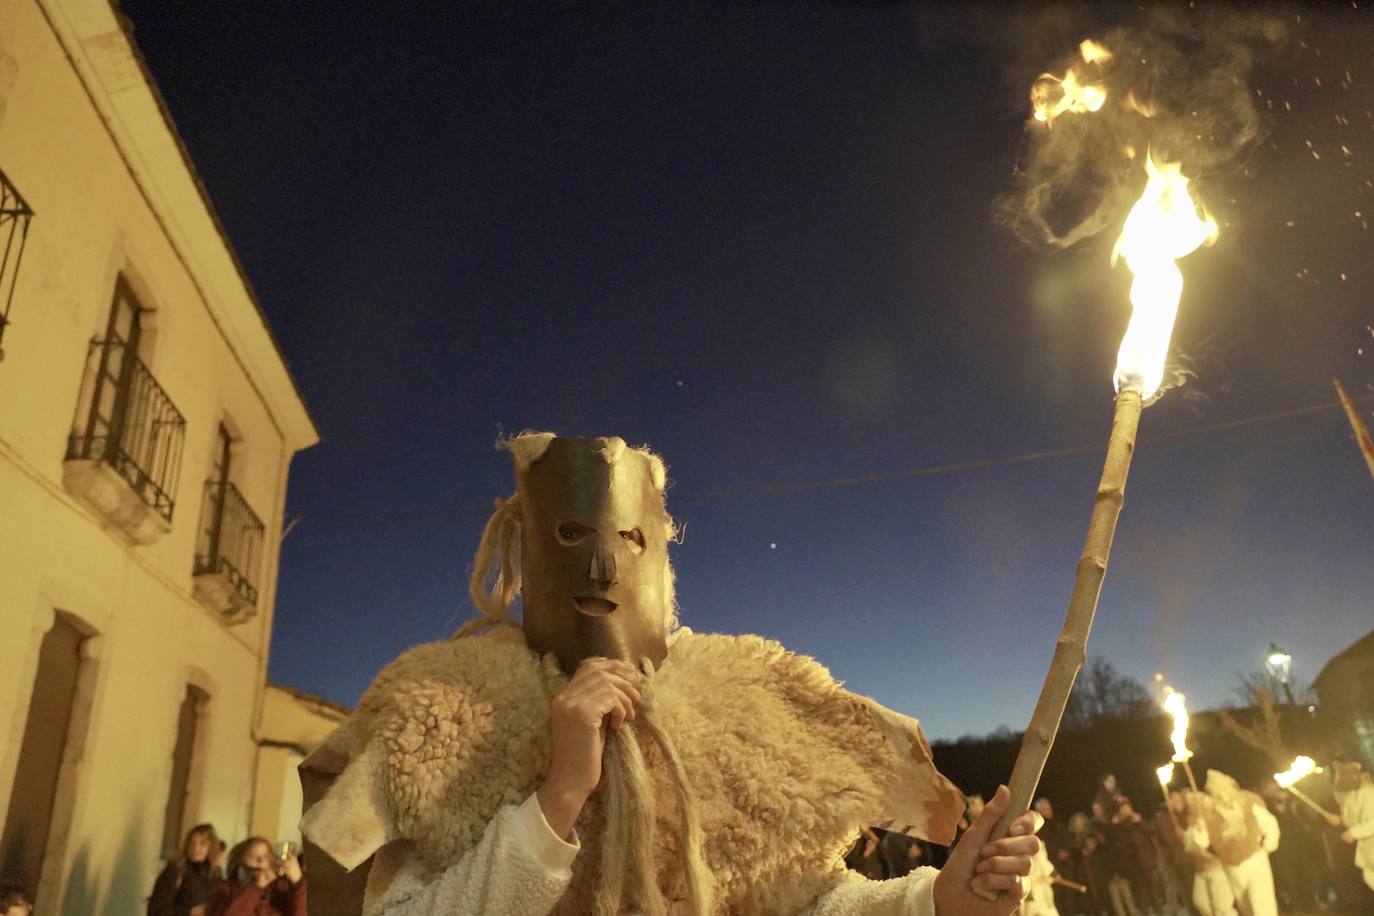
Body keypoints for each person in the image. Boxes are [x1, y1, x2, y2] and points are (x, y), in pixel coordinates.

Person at [300, 433, 1044, 915]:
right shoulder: (440, 708)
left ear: (659, 548)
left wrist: (936, 902)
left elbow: (805, 901)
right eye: (569, 535)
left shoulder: (747, 696)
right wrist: (557, 799)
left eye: (627, 538)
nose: (599, 566)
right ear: (525, 545)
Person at [1186, 771, 1279, 916]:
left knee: (1263, 906)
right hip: (1232, 866)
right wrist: (1199, 826)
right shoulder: (1209, 812)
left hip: (1255, 860)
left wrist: (1267, 847)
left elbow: (1268, 822)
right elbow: (1203, 842)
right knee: (1247, 907)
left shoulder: (1246, 800)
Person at [205, 837, 306, 916]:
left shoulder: (279, 890)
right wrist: (256, 887)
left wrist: (298, 883)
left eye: (265, 856)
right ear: (240, 860)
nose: (260, 860)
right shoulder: (225, 890)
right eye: (253, 856)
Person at [148, 823, 223, 916]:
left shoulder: (215, 876)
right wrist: (190, 912)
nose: (196, 848)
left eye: (202, 843)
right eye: (192, 843)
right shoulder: (175, 871)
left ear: (210, 847)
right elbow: (157, 910)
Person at [1330, 760, 1374, 894]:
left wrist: (1354, 832)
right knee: (1369, 876)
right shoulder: (1350, 794)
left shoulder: (1369, 791)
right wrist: (1339, 820)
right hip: (1367, 850)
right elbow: (1351, 820)